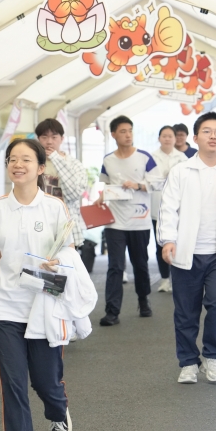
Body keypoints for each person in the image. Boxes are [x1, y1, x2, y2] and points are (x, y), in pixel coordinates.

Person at [0, 138, 74, 431]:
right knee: (13, 382)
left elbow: (69, 253)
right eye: (12, 159)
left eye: (25, 159)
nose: (17, 165)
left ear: (40, 167)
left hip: (45, 304)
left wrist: (57, 262)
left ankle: (58, 409)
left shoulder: (55, 207)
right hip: (7, 307)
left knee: (46, 381)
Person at [159, 112, 216, 384]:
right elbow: (168, 207)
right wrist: (168, 239)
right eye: (207, 131)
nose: (213, 136)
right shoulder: (181, 171)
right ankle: (189, 362)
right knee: (186, 312)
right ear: (195, 138)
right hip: (186, 252)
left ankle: (213, 357)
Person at [96, 115, 157, 325]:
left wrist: (138, 185)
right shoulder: (108, 160)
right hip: (114, 221)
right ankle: (112, 312)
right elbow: (106, 185)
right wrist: (101, 197)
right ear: (113, 134)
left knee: (140, 264)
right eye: (123, 131)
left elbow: (158, 183)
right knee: (115, 266)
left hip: (139, 220)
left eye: (130, 130)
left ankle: (143, 299)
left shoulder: (145, 157)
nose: (128, 135)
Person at [35, 118, 88, 248]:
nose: (49, 141)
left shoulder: (74, 164)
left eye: (54, 137)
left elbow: (74, 194)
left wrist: (55, 158)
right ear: (38, 139)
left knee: (67, 258)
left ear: (62, 139)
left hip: (66, 221)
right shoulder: (34, 163)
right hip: (38, 219)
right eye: (44, 137)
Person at [151, 125, 188, 293]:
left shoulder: (182, 158)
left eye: (170, 136)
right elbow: (149, 181)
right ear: (159, 138)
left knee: (178, 243)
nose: (167, 139)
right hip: (156, 207)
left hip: (178, 208)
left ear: (175, 139)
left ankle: (176, 278)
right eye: (164, 136)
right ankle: (164, 279)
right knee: (161, 244)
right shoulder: (151, 157)